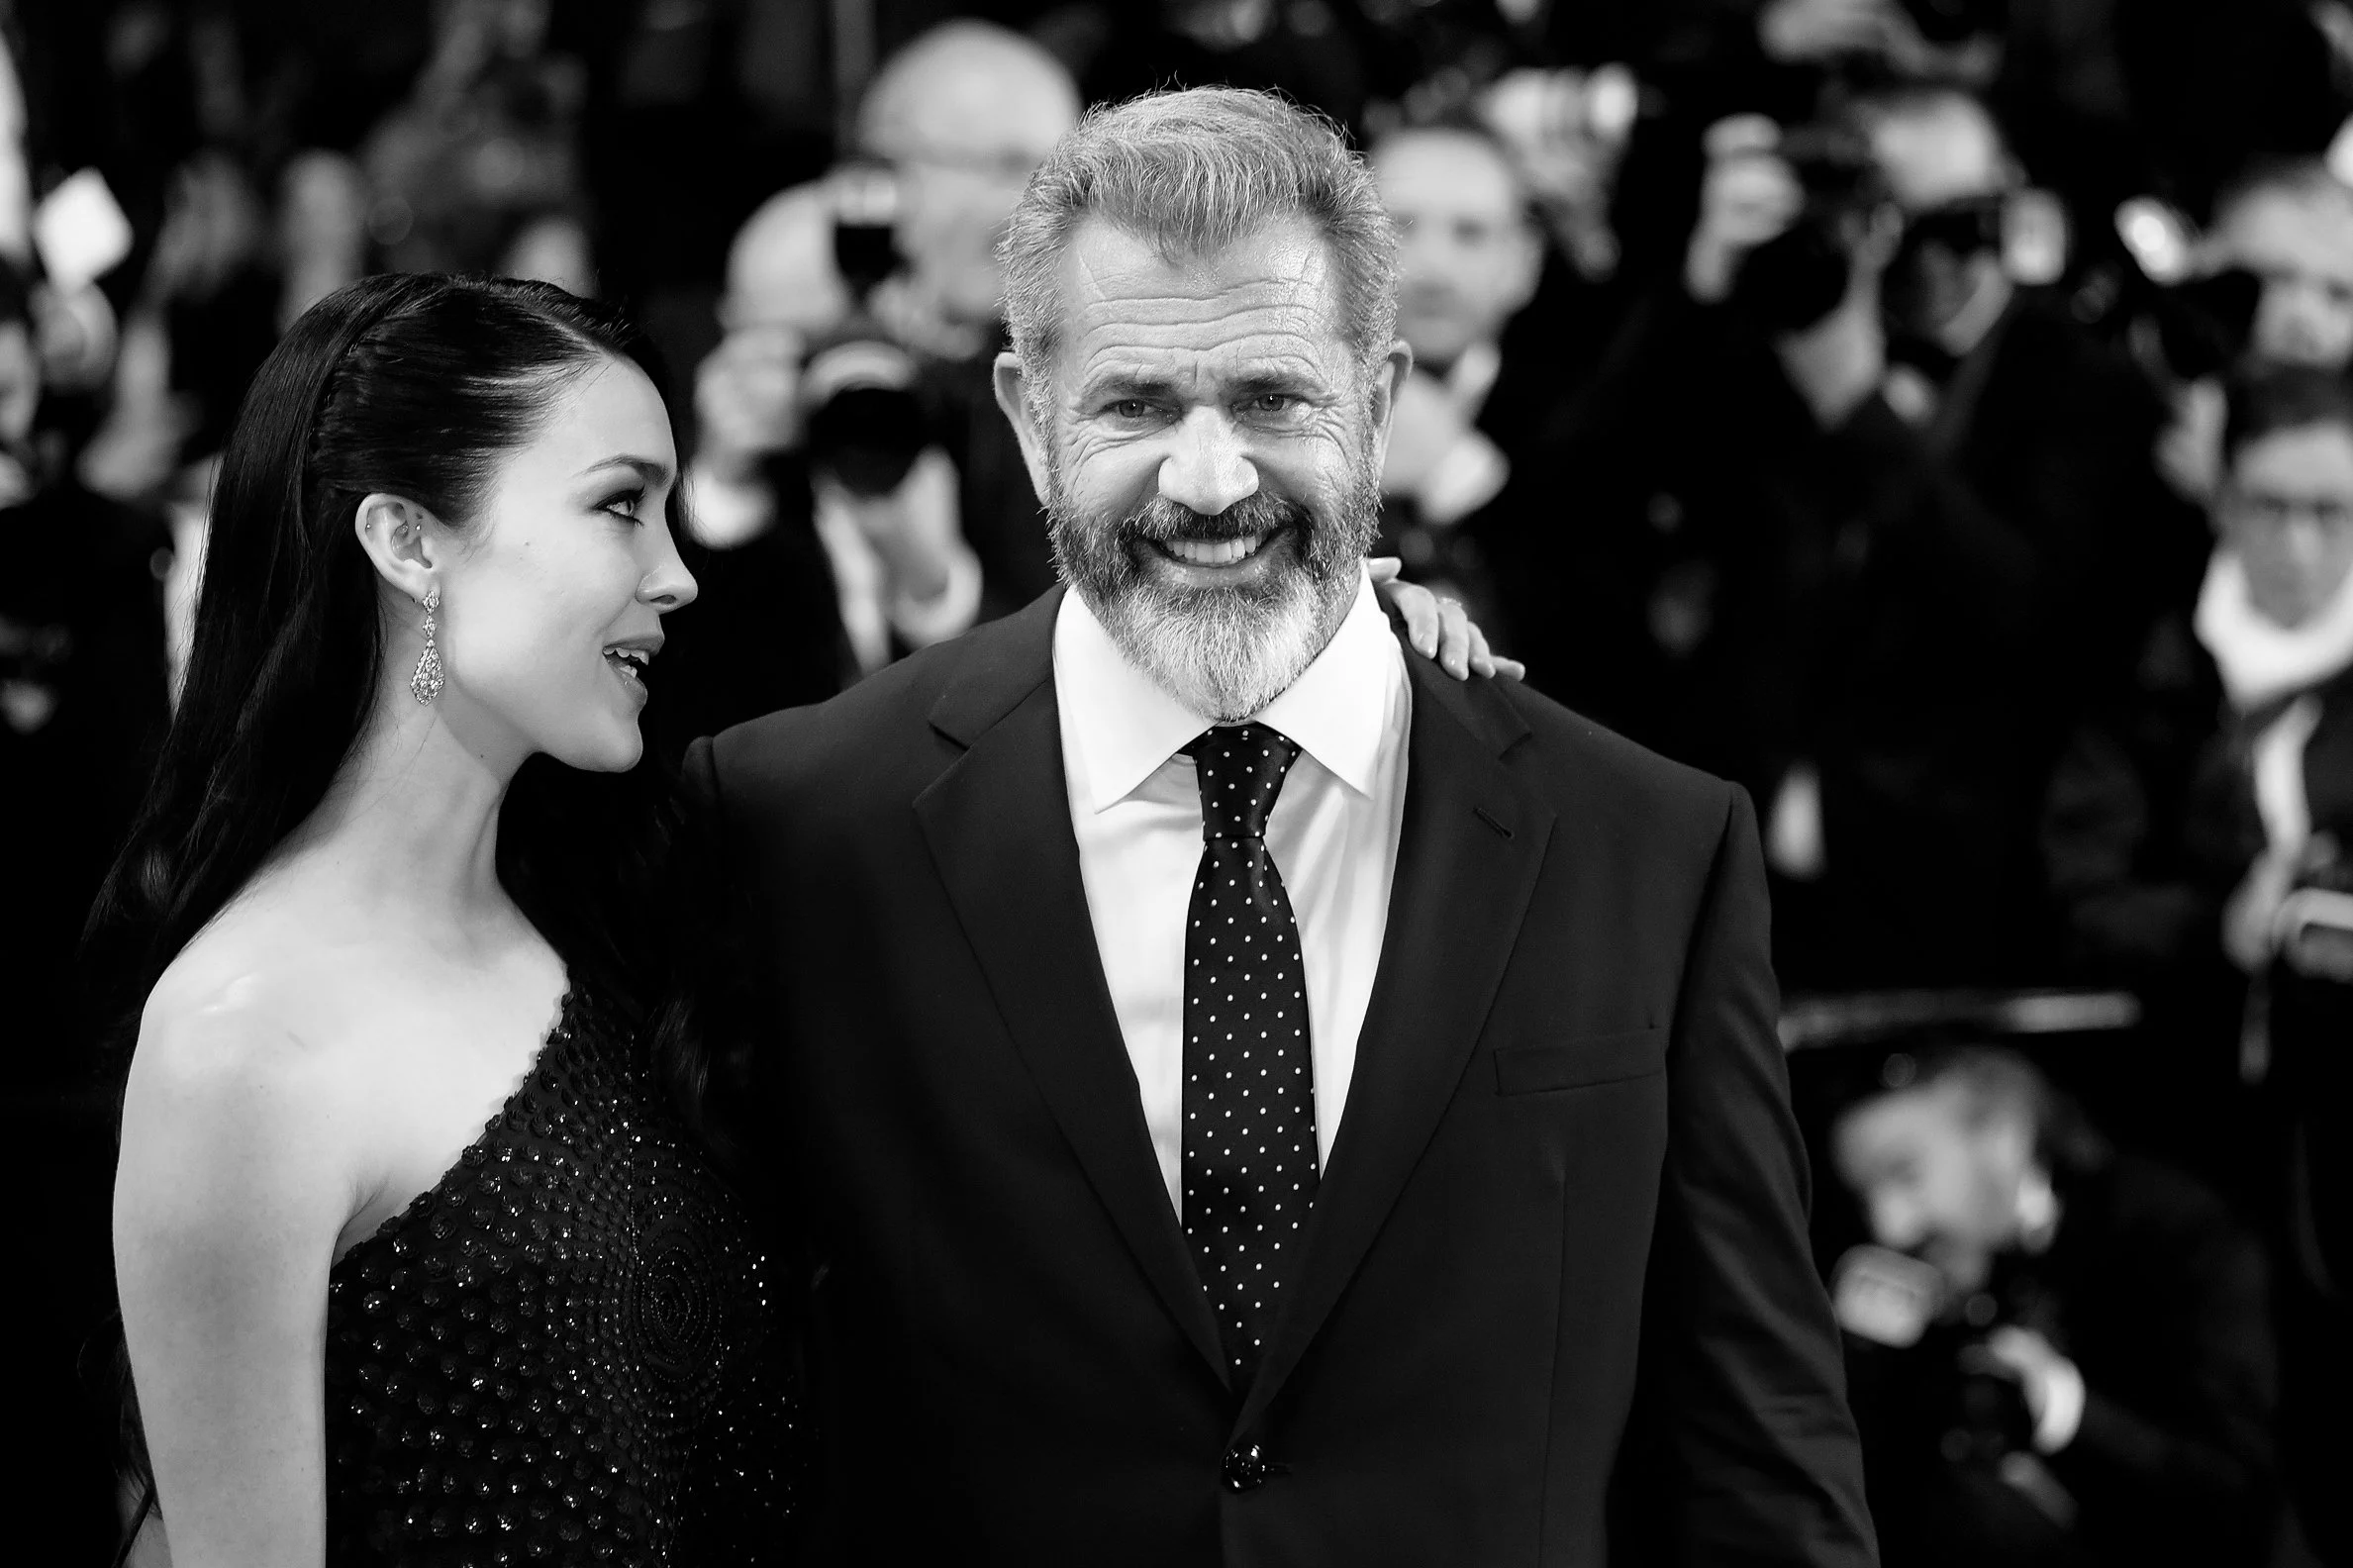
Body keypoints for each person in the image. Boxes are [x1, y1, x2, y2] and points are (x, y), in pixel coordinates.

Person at [683, 88, 1874, 1563]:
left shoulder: (1644, 848)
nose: (1207, 481)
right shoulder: (803, 823)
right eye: (1132, 406)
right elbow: (715, 1419)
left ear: (1377, 398)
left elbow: (1758, 1462)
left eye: (1271, 398)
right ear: (1024, 415)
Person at [100, 274, 800, 1567]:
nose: (676, 572)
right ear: (409, 543)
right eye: (619, 505)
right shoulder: (243, 1044)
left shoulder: (597, 925)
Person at [2041, 364, 2353, 1560]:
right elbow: (2082, 897)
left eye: (2332, 510)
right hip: (2191, 1125)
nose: (2298, 542)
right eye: (2268, 505)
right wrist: (2218, 928)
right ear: (2218, 501)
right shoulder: (2148, 662)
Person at [1829, 1045, 2276, 1567]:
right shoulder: (1961, 1275)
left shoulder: (2182, 1238)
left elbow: (2240, 1496)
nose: (1889, 1227)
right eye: (1866, 1197)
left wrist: (2064, 1407)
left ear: (2002, 1134)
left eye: (1907, 1174)